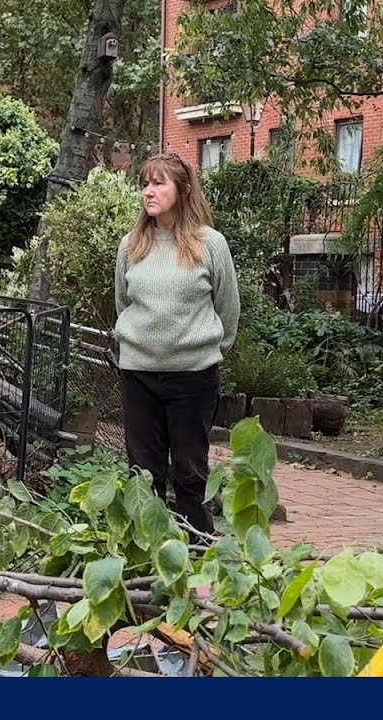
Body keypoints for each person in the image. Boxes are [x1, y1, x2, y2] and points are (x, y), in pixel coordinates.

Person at [113, 153, 240, 535]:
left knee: (189, 472)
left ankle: (198, 562)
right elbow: (123, 302)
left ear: (182, 190)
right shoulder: (131, 245)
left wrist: (210, 351)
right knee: (143, 472)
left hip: (193, 377)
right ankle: (148, 560)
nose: (148, 192)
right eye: (145, 184)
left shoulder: (209, 243)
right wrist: (138, 346)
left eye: (158, 183)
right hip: (139, 376)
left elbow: (227, 306)